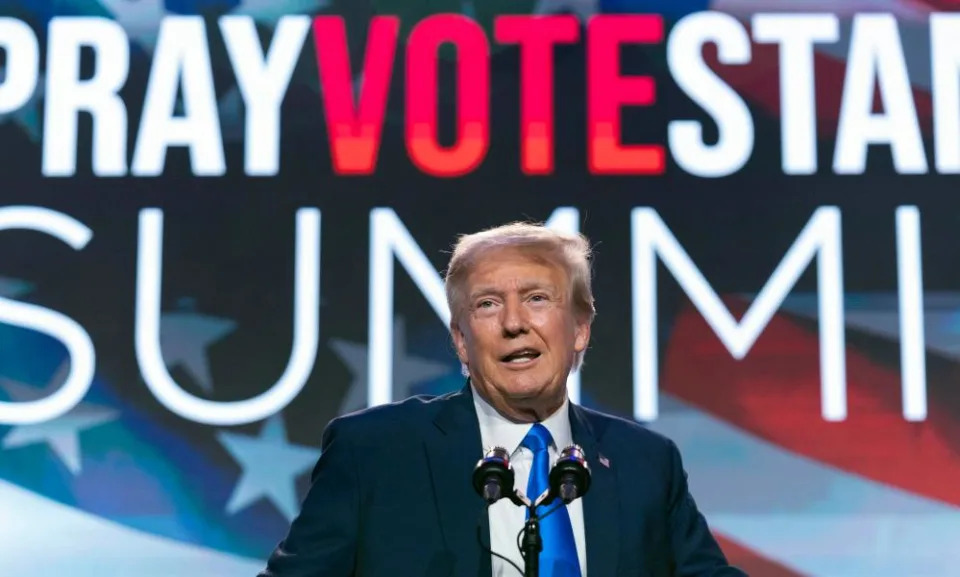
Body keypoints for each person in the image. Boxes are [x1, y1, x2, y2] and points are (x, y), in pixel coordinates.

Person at [257, 222, 748, 577]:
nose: (514, 323)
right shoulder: (375, 451)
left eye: (537, 298)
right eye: (488, 304)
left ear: (580, 329)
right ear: (461, 340)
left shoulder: (645, 462)